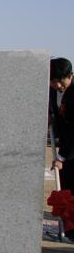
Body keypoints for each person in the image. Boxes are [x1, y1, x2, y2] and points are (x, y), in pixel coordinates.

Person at [50, 58, 74, 240]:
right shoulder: (53, 92)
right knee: (66, 191)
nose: (57, 85)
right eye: (53, 81)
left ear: (70, 76)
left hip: (71, 150)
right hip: (65, 146)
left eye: (61, 81)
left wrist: (62, 157)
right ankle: (69, 229)